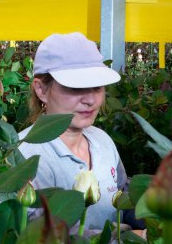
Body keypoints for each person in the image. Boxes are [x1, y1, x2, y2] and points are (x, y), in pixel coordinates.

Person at [18, 32, 128, 232]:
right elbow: (38, 233)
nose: (90, 100)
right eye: (75, 88)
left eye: (97, 87)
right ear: (41, 90)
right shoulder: (25, 157)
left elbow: (124, 195)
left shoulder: (102, 141)